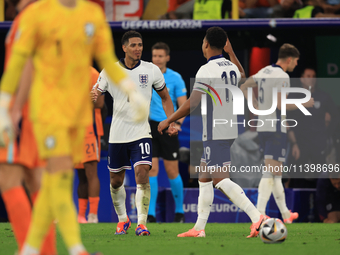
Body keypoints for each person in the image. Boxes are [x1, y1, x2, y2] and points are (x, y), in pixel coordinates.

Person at [0, 0, 148, 254]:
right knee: (52, 179)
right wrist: (6, 106)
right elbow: (20, 64)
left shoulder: (91, 14)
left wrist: (130, 90)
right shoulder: (36, 15)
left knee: (52, 181)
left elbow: (106, 59)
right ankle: (69, 247)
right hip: (46, 113)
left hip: (79, 119)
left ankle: (36, 248)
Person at [158, 26, 266, 238]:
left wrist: (168, 120)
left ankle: (257, 217)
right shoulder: (232, 67)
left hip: (216, 130)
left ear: (206, 44)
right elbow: (242, 75)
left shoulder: (205, 70)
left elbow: (193, 103)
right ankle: (199, 228)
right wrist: (232, 52)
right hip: (229, 127)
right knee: (204, 175)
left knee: (220, 179)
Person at [91, 31, 177, 236]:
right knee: (116, 181)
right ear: (124, 48)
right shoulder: (111, 71)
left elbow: (165, 97)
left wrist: (171, 121)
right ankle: (122, 220)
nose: (138, 48)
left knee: (142, 174)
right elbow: (96, 93)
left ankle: (142, 223)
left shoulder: (152, 70)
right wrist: (93, 94)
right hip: (118, 134)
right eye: (133, 45)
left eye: (140, 45)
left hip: (141, 132)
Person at [0, 0, 56, 254]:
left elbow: (28, 63)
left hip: (24, 109)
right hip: (41, 109)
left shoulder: (30, 18)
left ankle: (28, 248)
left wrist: (13, 109)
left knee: (8, 178)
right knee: (37, 182)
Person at [240, 43, 314, 223]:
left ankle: (286, 215)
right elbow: (280, 105)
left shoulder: (265, 71)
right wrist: (304, 103)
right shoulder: (282, 76)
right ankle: (259, 214)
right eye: (296, 61)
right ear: (289, 59)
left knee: (276, 173)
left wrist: (254, 103)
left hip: (263, 126)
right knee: (269, 172)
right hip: (275, 128)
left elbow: (244, 86)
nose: (296, 64)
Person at [147, 42, 187, 223]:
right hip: (150, 127)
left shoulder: (176, 78)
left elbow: (183, 104)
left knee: (172, 171)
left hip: (169, 127)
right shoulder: (145, 76)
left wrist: (176, 124)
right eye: (154, 56)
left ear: (167, 58)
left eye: (160, 56)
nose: (157, 59)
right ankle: (151, 214)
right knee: (151, 169)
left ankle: (179, 212)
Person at [287, 67, 339, 188]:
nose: (311, 79)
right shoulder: (294, 96)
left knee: (320, 176)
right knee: (296, 175)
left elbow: (336, 116)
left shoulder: (323, 97)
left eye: (314, 76)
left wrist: (327, 132)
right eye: (308, 76)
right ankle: (297, 204)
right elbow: (287, 119)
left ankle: (319, 203)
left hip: (319, 143)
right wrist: (294, 143)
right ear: (302, 79)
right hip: (300, 143)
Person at [75, 67, 104, 224]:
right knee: (80, 174)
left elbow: (99, 102)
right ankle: (80, 216)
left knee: (90, 171)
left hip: (89, 129)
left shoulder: (93, 74)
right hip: (72, 130)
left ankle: (93, 215)